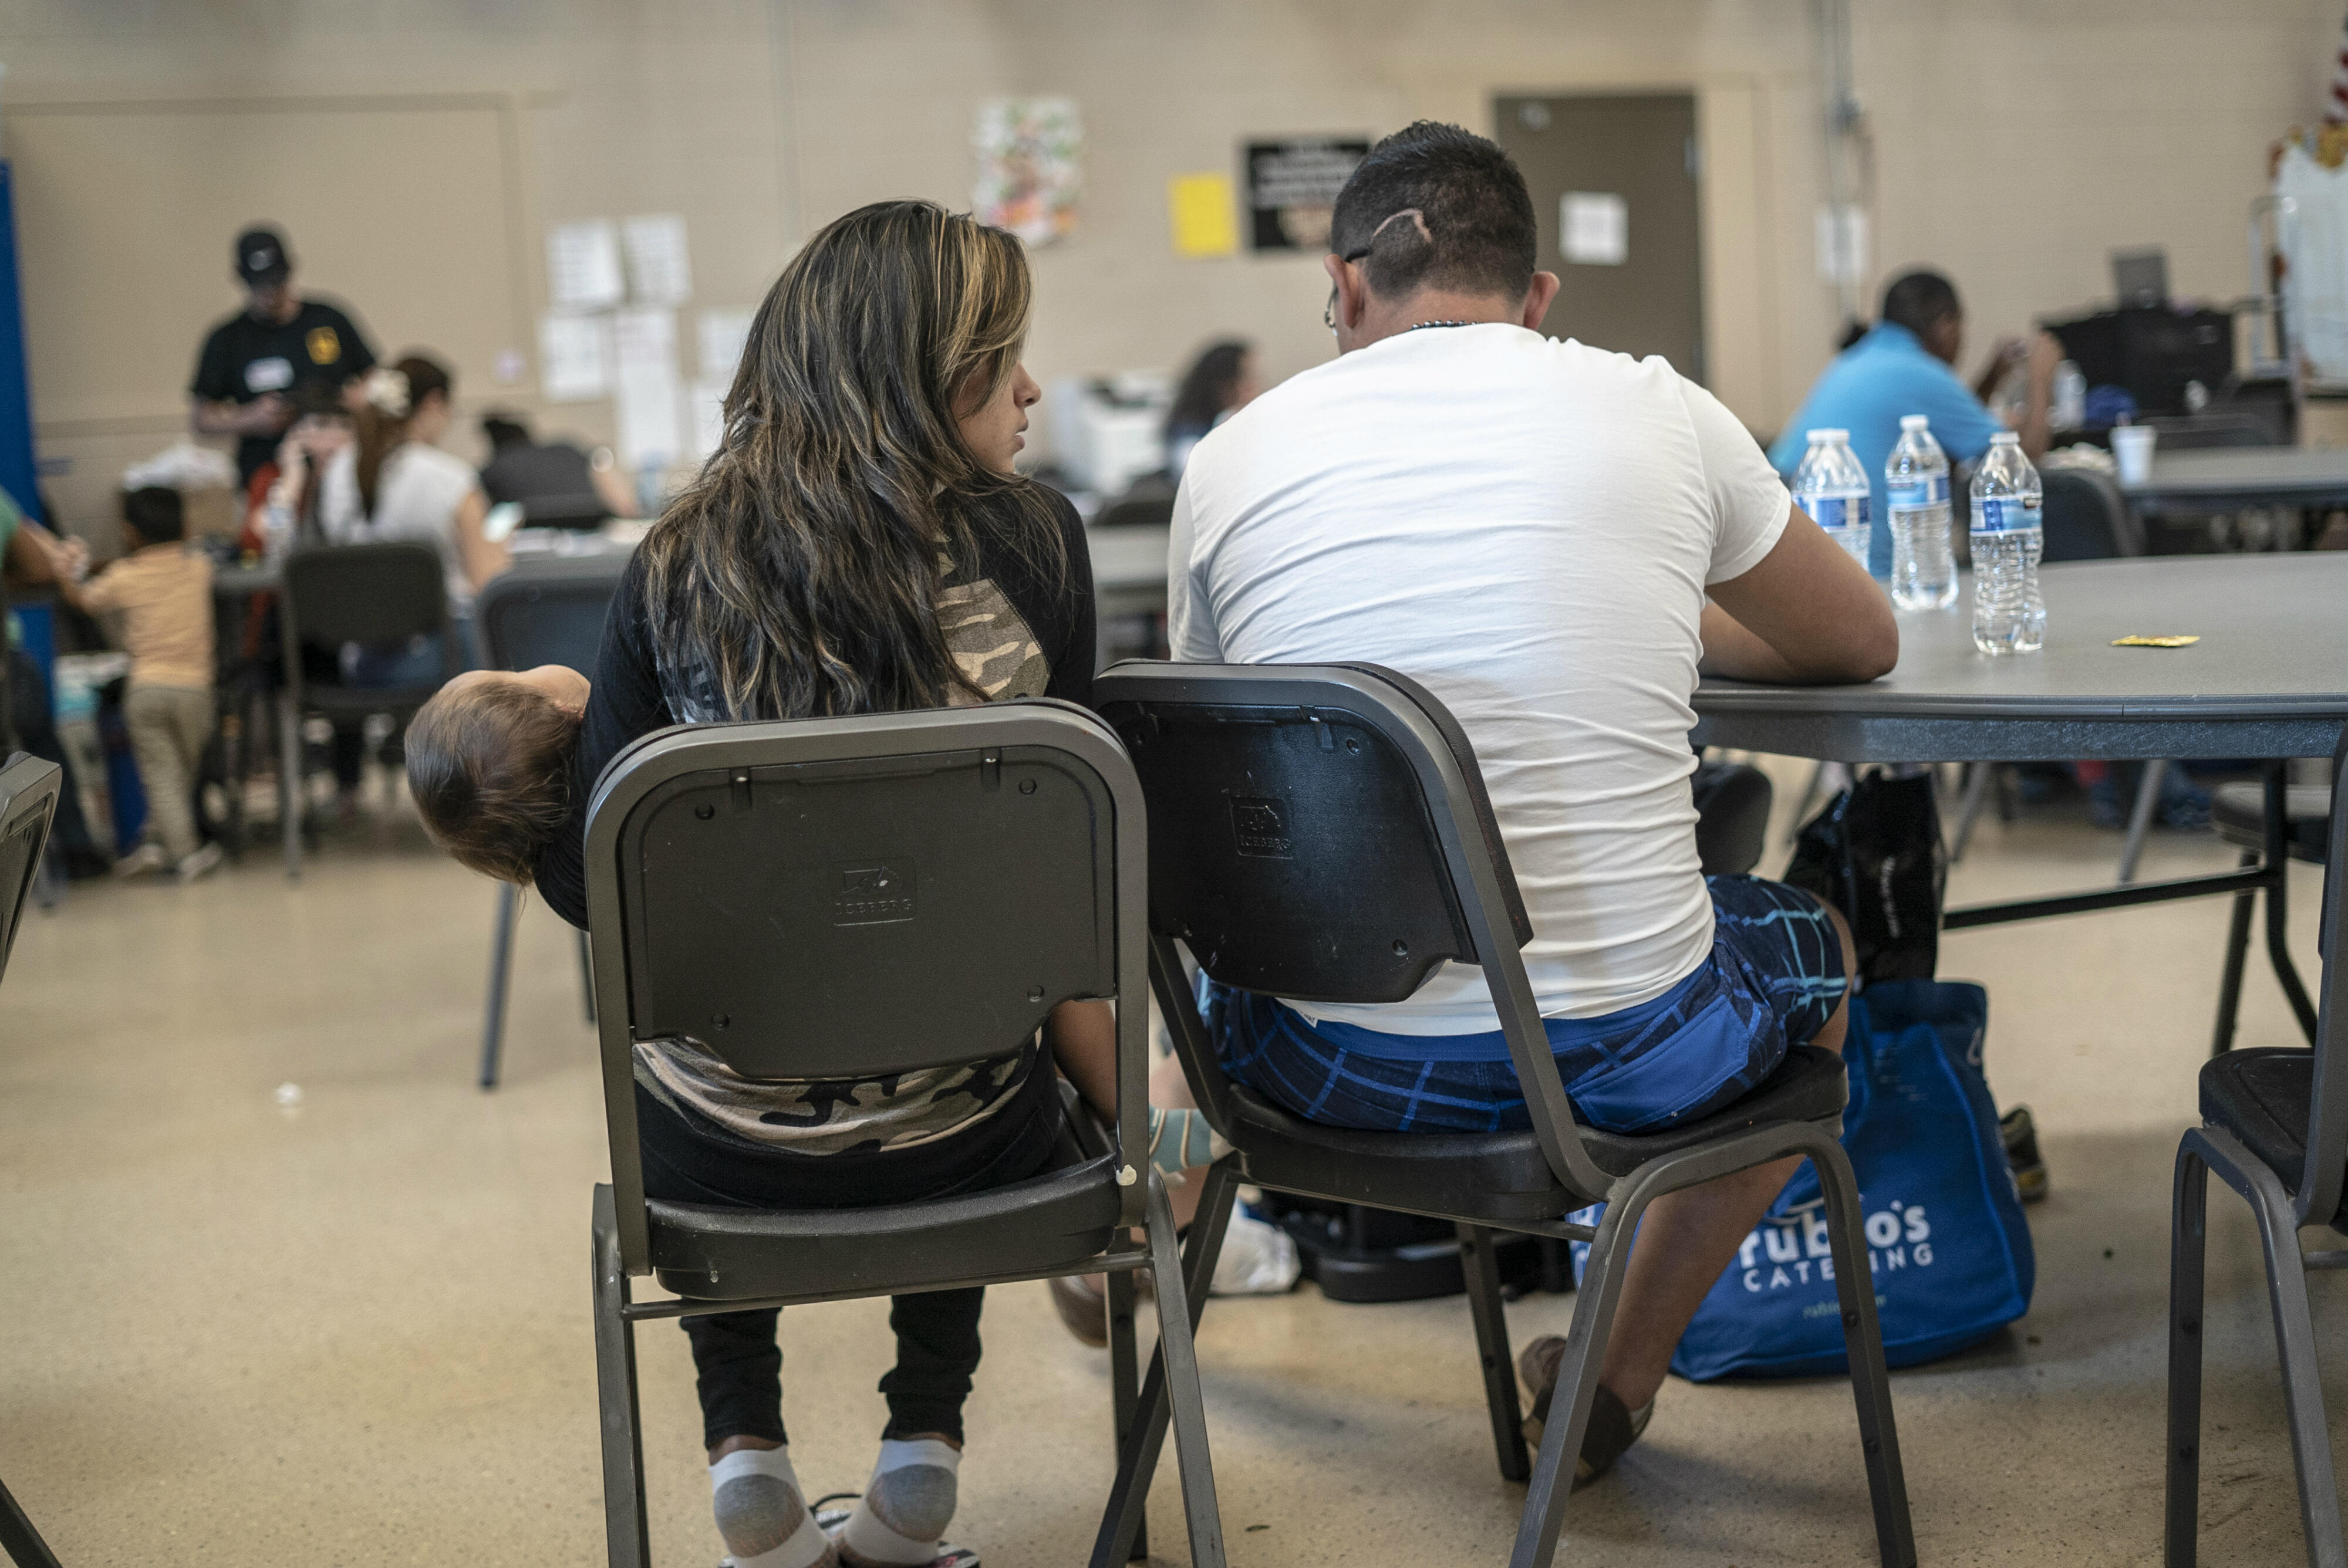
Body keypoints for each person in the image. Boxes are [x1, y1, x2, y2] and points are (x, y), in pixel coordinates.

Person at [1165, 121, 1898, 1489]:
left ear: (1337, 287)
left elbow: (1217, 755)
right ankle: (1610, 1378)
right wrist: (1658, 611)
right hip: (1632, 1052)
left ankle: (1143, 1219)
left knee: (1176, 1041)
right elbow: (1857, 637)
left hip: (1318, 1066)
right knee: (1823, 954)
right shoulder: (1662, 408)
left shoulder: (1226, 460)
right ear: (1539, 296)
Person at [527, 199, 1119, 1568]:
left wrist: (560, 752)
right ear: (920, 376)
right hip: (974, 1145)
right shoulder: (1035, 546)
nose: (1029, 387)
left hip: (717, 1164)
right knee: (964, 1004)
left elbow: (596, 897)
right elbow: (1082, 872)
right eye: (999, 359)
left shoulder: (669, 566)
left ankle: (746, 1445)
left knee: (705, 1024)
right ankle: (920, 1445)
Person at [1767, 268, 2060, 577]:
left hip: (1800, 565)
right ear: (1946, 326)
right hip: (1877, 576)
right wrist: (2041, 375)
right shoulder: (1921, 372)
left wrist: (1993, 374)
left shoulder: (1856, 358)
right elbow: (2024, 455)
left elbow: (1948, 426)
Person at [52, 488, 221, 881]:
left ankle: (160, 843)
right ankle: (183, 852)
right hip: (196, 692)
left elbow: (85, 601)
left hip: (145, 690)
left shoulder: (125, 575)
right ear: (186, 526)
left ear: (129, 533)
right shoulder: (198, 568)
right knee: (179, 773)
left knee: (161, 774)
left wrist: (66, 577)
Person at [189, 227, 377, 488]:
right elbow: (201, 418)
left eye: (276, 281)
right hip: (266, 472)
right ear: (242, 279)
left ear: (290, 270)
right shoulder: (227, 339)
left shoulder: (329, 320)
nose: (270, 291)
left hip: (337, 468)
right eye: (260, 283)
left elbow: (374, 377)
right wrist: (250, 418)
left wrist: (357, 400)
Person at [477, 413, 637, 524]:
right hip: (595, 522)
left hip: (532, 538)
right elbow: (625, 506)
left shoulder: (494, 468)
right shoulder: (566, 448)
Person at [1163, 339, 1261, 476]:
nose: (1256, 387)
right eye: (1249, 378)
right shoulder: (1190, 433)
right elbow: (1192, 476)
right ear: (1224, 386)